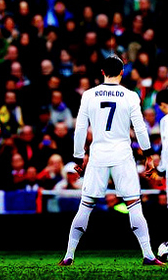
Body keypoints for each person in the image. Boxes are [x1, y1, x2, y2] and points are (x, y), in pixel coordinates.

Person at [59, 55, 164, 266]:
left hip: (98, 154)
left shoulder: (89, 95)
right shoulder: (130, 95)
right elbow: (140, 127)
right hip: (122, 154)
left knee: (86, 205)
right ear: (122, 72)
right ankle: (148, 255)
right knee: (134, 205)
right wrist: (148, 156)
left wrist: (78, 156)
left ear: (102, 72)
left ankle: (69, 255)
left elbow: (80, 128)